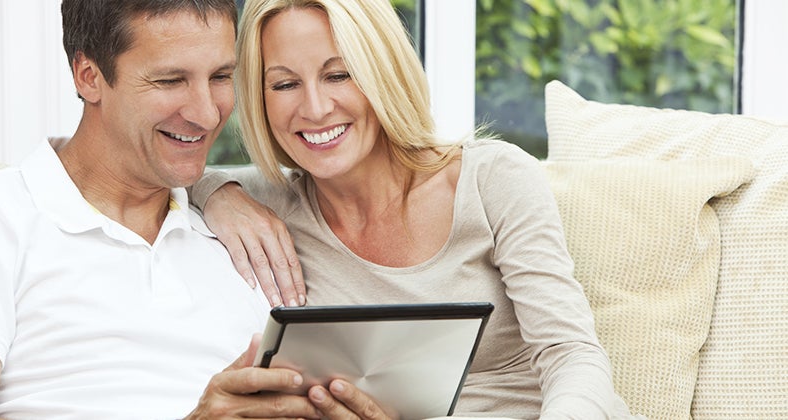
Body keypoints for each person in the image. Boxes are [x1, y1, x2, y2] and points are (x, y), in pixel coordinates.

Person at [193, 0, 643, 418]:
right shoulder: (270, 204)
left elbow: (572, 354)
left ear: (382, 71)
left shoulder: (491, 179)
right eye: (285, 84)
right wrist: (218, 194)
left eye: (339, 75)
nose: (315, 107)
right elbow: (167, 173)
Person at [0, 1, 389, 418]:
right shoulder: (11, 217)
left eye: (221, 76)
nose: (206, 113)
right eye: (170, 80)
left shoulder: (246, 234)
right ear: (89, 77)